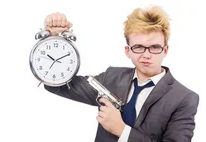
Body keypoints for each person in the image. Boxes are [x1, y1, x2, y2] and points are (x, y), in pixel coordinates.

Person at [41, 5, 199, 142]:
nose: (146, 54)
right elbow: (58, 86)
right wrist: (54, 39)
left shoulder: (184, 98)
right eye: (138, 47)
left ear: (165, 50)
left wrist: (122, 130)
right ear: (127, 51)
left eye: (155, 47)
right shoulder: (112, 77)